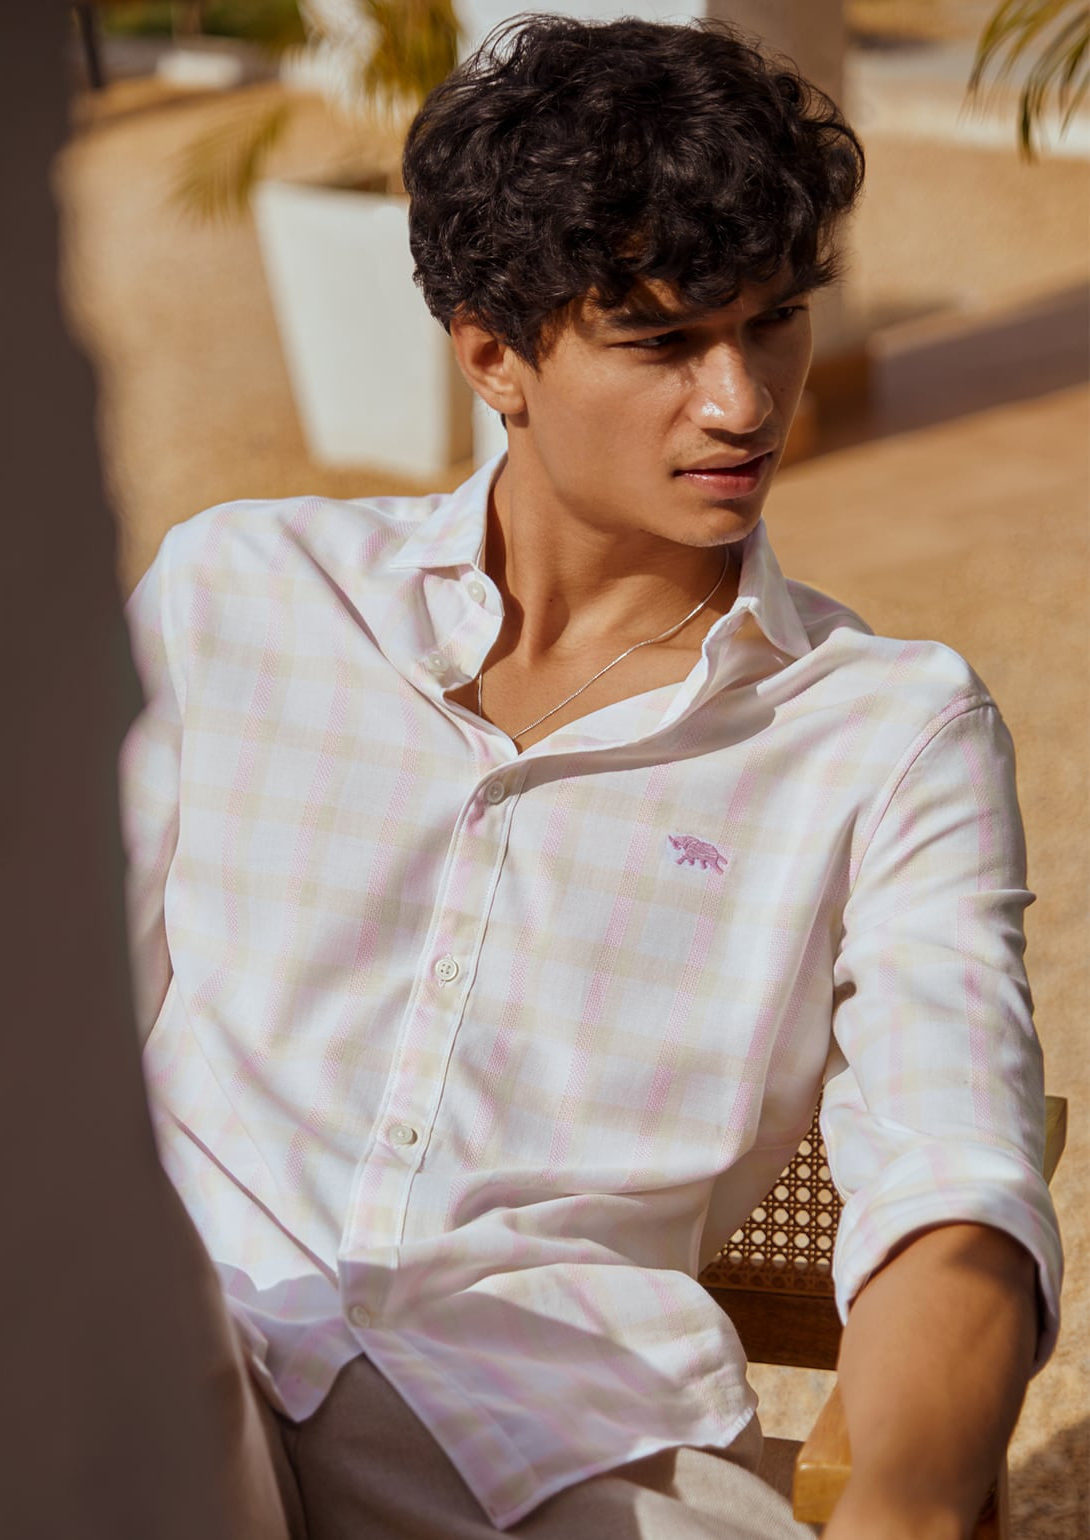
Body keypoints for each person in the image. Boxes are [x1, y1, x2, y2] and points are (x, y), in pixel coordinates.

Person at [120, 17, 1063, 1539]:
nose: (743, 402)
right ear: (493, 353)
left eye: (774, 322)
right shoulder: (241, 596)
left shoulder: (891, 733)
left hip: (561, 1440)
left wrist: (901, 1502)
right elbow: (36, 1029)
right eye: (663, 341)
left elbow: (953, 1172)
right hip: (186, 1360)